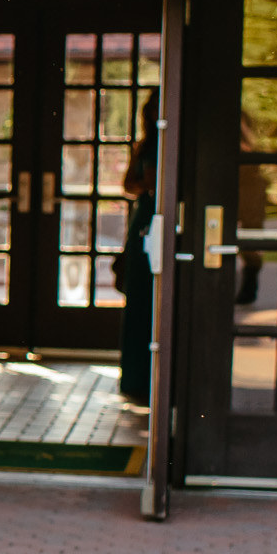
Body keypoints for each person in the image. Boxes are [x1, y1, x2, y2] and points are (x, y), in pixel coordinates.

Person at [114, 95, 158, 407]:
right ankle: (134, 381)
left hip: (161, 219)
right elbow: (128, 184)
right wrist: (147, 185)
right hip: (142, 220)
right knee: (138, 300)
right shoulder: (145, 146)